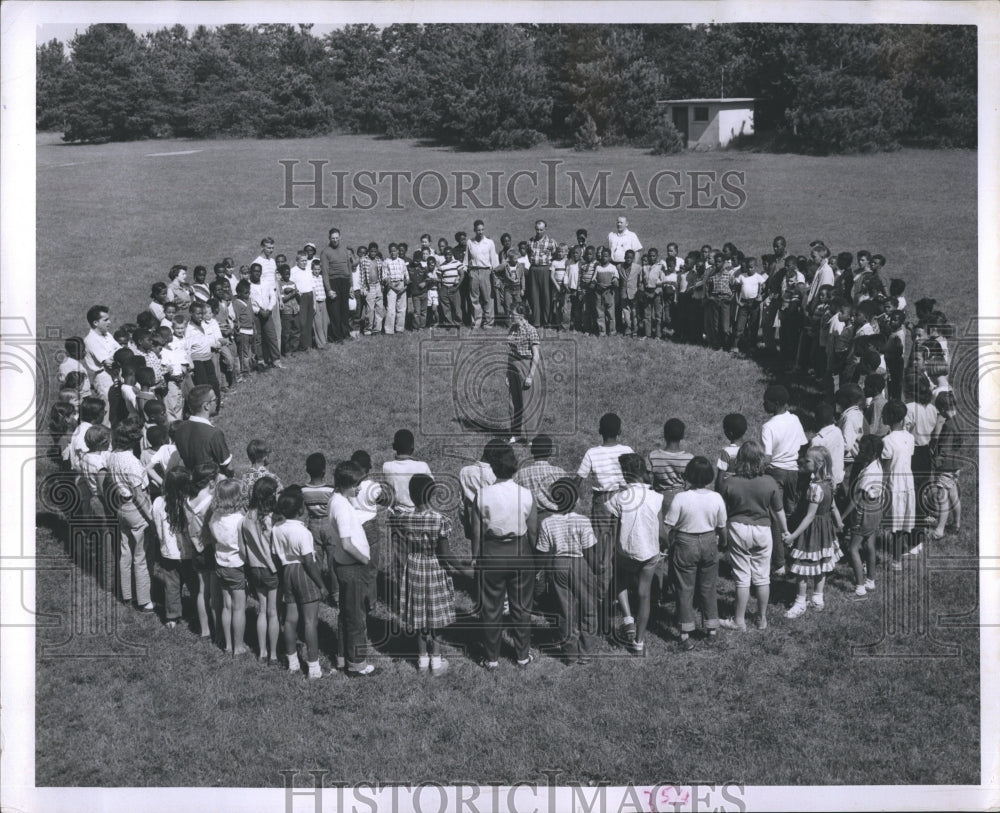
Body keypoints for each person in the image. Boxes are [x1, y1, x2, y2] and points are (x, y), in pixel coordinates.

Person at [471, 446, 538, 670]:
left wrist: (475, 557)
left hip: (491, 552)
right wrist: (535, 556)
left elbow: (476, 531)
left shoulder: (482, 495)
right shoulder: (526, 494)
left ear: (493, 469)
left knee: (491, 607)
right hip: (520, 552)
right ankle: (522, 655)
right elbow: (533, 531)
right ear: (515, 468)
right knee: (521, 607)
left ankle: (491, 659)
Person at [388, 474, 460, 674]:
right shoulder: (440, 520)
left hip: (414, 565)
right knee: (434, 616)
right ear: (433, 494)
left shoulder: (405, 519)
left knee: (419, 614)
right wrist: (464, 569)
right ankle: (436, 661)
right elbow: (445, 554)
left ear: (411, 495)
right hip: (434, 566)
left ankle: (421, 659)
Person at [717, 441, 787, 631]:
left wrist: (718, 531)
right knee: (763, 577)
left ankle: (739, 621)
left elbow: (720, 509)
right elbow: (779, 511)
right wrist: (786, 531)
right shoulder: (770, 482)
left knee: (742, 577)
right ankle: (761, 619)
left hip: (738, 529)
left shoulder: (729, 482)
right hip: (763, 530)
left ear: (739, 459)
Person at [575, 413, 633, 632]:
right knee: (622, 548)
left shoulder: (592, 452)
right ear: (619, 432)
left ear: (600, 431)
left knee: (600, 555)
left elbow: (579, 479)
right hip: (624, 501)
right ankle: (620, 595)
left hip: (601, 503)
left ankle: (602, 600)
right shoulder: (627, 451)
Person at [663, 457, 727, 651]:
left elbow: (668, 526)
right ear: (709, 477)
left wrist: (665, 546)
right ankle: (712, 629)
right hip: (709, 541)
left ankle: (685, 633)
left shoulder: (681, 497)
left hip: (685, 543)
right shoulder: (716, 497)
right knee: (708, 587)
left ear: (688, 475)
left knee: (685, 588)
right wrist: (723, 543)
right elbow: (722, 526)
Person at [606, 454, 667, 657]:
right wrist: (666, 545)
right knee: (644, 595)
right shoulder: (657, 498)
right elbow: (660, 532)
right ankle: (639, 643)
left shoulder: (618, 498)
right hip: (649, 552)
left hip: (625, 551)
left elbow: (613, 528)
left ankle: (627, 618)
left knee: (620, 580)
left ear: (625, 474)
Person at [535, 477, 599, 664]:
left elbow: (543, 552)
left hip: (558, 565)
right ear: (576, 499)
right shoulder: (583, 521)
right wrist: (597, 569)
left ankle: (570, 654)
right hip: (579, 564)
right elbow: (588, 551)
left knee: (564, 610)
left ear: (554, 499)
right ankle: (585, 651)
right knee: (589, 607)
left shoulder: (547, 522)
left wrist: (539, 572)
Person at [328, 461, 377, 676]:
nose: (359, 488)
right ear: (346, 485)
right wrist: (364, 560)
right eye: (356, 485)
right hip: (352, 567)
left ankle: (342, 657)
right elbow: (347, 543)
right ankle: (357, 665)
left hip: (343, 565)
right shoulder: (341, 507)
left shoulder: (338, 499)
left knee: (346, 614)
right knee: (356, 617)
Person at [272, 487, 327, 678]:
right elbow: (309, 562)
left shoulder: (277, 528)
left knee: (289, 619)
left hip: (286, 570)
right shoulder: (303, 532)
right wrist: (321, 584)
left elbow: (275, 554)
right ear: (300, 510)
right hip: (303, 571)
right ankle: (313, 668)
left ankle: (293, 663)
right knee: (310, 622)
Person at [784, 446, 843, 618]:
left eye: (808, 460)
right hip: (826, 530)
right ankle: (818, 599)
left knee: (802, 567)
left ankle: (800, 603)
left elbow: (810, 516)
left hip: (812, 531)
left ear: (818, 464)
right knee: (821, 565)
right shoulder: (829, 482)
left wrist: (793, 536)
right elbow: (833, 507)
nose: (804, 461)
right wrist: (839, 523)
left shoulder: (815, 488)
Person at [106, 420, 156, 612]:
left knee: (125, 552)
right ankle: (144, 600)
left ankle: (126, 594)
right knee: (141, 556)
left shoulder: (112, 456)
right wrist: (151, 519)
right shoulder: (132, 462)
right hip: (136, 509)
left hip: (121, 506)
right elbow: (139, 494)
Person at [760, 385, 807, 575]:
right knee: (790, 513)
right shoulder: (795, 419)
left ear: (776, 403)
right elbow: (803, 444)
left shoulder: (768, 426)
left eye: (767, 401)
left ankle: (779, 564)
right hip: (793, 472)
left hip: (775, 473)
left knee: (775, 519)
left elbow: (768, 458)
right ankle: (796, 553)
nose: (764, 404)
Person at [152, 466, 199, 629]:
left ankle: (172, 617)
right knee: (195, 585)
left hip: (167, 553)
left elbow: (156, 524)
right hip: (189, 553)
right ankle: (199, 611)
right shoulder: (189, 504)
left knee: (171, 585)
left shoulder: (158, 502)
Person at [241, 476, 281, 664]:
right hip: (270, 568)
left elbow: (243, 547)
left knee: (262, 610)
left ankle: (262, 652)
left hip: (254, 568)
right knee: (273, 611)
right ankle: (273, 654)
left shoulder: (246, 517)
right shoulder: (271, 519)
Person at [206, 478, 248, 656]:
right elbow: (243, 546)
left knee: (226, 606)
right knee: (239, 607)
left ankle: (228, 645)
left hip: (220, 563)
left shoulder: (215, 516)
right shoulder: (240, 520)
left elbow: (213, 534)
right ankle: (239, 647)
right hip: (236, 565)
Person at [843, 435, 884, 600]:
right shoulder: (877, 466)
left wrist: (843, 517)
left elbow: (856, 499)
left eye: (862, 451)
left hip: (864, 510)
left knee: (853, 548)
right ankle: (870, 580)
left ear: (871, 453)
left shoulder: (868, 472)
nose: (859, 453)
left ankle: (860, 589)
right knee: (870, 544)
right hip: (876, 508)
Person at [172, 385, 234, 476]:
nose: (217, 402)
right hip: (211, 483)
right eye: (214, 400)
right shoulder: (214, 433)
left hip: (191, 481)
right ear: (206, 406)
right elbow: (228, 468)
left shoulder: (180, 429)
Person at [302, 453, 337, 605]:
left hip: (313, 525)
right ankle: (336, 594)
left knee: (316, 559)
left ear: (307, 470)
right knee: (333, 561)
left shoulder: (303, 490)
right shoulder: (331, 490)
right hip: (329, 525)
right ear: (324, 470)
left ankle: (316, 591)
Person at [506, 304, 542, 444]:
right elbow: (510, 352)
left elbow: (536, 355)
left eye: (513, 314)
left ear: (521, 316)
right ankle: (516, 433)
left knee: (529, 403)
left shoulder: (531, 330)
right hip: (513, 367)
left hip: (526, 367)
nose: (510, 316)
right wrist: (507, 374)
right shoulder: (513, 329)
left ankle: (531, 438)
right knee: (514, 403)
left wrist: (530, 376)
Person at [930, 391, 962, 540]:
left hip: (946, 467)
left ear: (942, 409)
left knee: (943, 498)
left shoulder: (948, 426)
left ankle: (939, 530)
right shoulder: (960, 421)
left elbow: (944, 449)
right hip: (956, 465)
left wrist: (937, 461)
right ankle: (956, 525)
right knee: (954, 495)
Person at [320, 228, 355, 342]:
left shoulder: (344, 250)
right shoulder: (325, 252)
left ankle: (345, 333)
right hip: (333, 281)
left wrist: (351, 285)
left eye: (337, 238)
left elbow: (349, 268)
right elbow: (325, 272)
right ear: (329, 238)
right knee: (334, 310)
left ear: (340, 237)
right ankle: (337, 336)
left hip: (344, 281)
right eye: (333, 238)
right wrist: (329, 289)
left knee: (344, 309)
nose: (335, 240)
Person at [248, 263, 283, 369]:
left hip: (267, 313)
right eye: (255, 271)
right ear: (251, 272)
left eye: (259, 271)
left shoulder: (266, 283)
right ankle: (260, 360)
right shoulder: (248, 285)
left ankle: (276, 360)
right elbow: (249, 302)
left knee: (272, 336)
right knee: (258, 338)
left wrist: (269, 309)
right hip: (256, 315)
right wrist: (258, 310)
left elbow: (272, 297)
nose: (257, 273)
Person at [466, 219, 499, 330]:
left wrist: (495, 275)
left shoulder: (489, 243)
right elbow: (466, 260)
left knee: (487, 299)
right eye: (478, 230)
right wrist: (469, 271)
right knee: (474, 299)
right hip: (474, 271)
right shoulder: (470, 242)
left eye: (482, 230)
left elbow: (494, 260)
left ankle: (488, 323)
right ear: (474, 230)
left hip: (486, 272)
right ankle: (476, 323)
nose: (480, 232)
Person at [83, 304, 120, 401]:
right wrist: (120, 357)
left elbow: (120, 351)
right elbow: (108, 363)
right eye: (105, 320)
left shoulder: (107, 335)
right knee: (108, 409)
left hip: (116, 375)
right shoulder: (91, 340)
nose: (109, 322)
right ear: (95, 323)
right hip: (104, 379)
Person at [526, 219, 556, 328]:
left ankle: (547, 321)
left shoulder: (551, 242)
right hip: (534, 269)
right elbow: (529, 255)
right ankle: (536, 321)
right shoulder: (530, 241)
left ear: (545, 229)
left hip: (546, 269)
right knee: (534, 296)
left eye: (541, 230)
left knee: (546, 296)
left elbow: (555, 256)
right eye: (537, 229)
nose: (539, 232)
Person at [382, 243, 409, 335]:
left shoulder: (401, 261)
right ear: (389, 252)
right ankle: (389, 330)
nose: (393, 253)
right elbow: (384, 276)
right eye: (391, 251)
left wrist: (405, 286)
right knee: (390, 309)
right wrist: (392, 286)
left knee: (401, 308)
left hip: (401, 285)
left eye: (395, 251)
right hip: (391, 286)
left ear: (398, 251)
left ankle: (399, 328)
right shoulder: (386, 262)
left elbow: (406, 275)